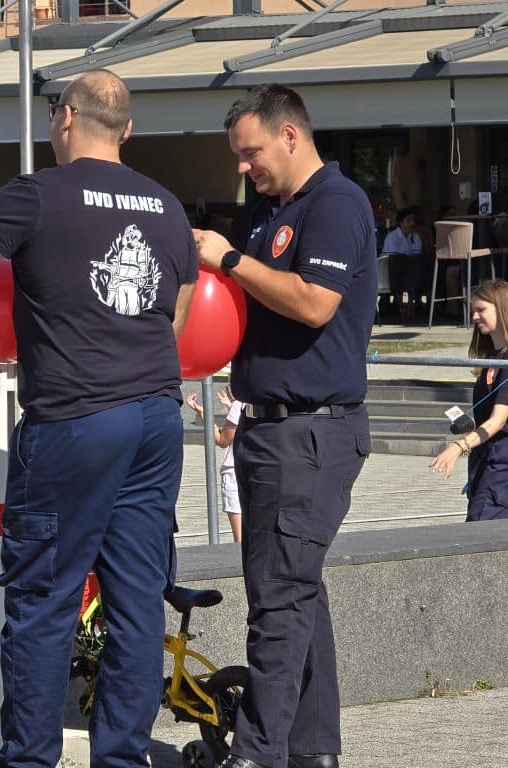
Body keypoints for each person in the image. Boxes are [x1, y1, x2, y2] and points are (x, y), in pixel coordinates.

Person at [0, 70, 197, 768]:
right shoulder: (168, 207)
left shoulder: (38, 193)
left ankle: (28, 761)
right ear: (127, 130)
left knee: (44, 602)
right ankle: (122, 760)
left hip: (75, 419)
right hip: (156, 418)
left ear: (65, 118)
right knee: (137, 603)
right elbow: (176, 322)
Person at [193, 84, 375, 768]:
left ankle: (257, 754)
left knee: (278, 602)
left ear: (290, 135)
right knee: (297, 594)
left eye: (251, 153)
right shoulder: (274, 210)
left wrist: (229, 259)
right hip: (270, 429)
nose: (244, 167)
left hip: (310, 432)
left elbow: (315, 302)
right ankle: (313, 750)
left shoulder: (336, 203)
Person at [430, 279, 508, 521]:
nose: (474, 317)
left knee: (478, 533)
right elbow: (488, 418)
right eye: (473, 310)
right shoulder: (491, 358)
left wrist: (458, 446)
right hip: (483, 465)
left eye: (481, 310)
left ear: (502, 309)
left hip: (501, 470)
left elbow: (498, 420)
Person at [186, 386, 244, 542]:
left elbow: (222, 440)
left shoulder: (240, 405)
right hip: (260, 471)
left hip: (235, 472)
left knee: (240, 540)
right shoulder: (268, 402)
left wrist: (203, 413)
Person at [380, 207, 423, 323]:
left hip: (409, 272)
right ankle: (403, 309)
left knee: (415, 267)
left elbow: (416, 255)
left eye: (413, 220)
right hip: (390, 273)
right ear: (401, 222)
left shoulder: (416, 237)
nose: (412, 223)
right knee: (399, 261)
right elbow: (392, 258)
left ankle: (410, 309)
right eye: (408, 220)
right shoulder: (392, 237)